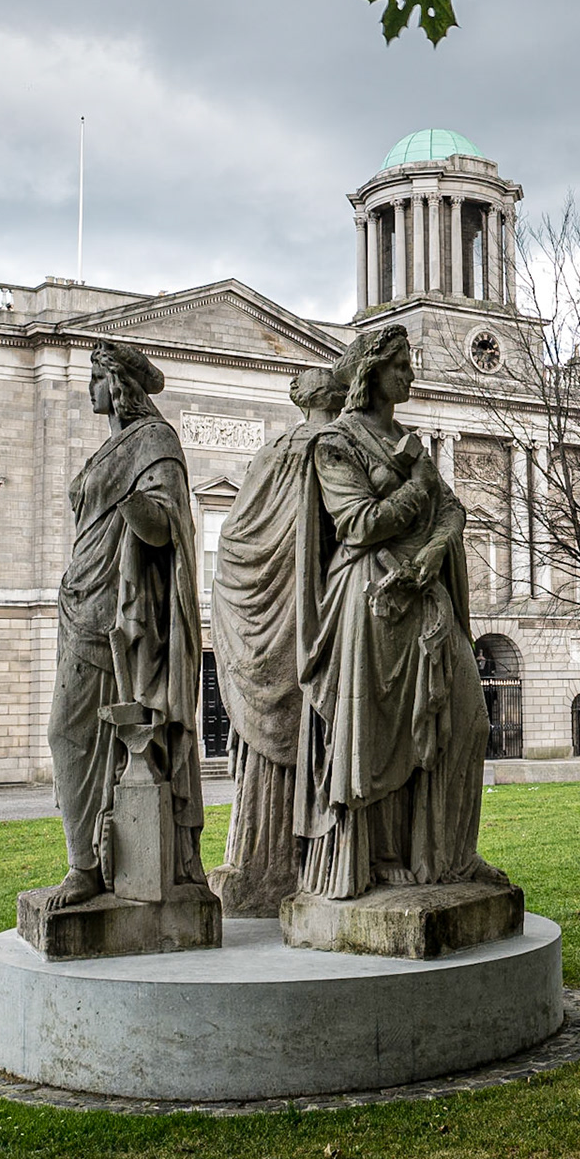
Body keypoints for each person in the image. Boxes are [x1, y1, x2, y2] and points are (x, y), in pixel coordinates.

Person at [292, 324, 509, 899]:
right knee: (381, 738)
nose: (410, 375)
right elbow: (357, 525)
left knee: (468, 720)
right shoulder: (336, 442)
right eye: (401, 367)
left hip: (423, 589)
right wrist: (414, 484)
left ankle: (451, 855)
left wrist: (438, 547)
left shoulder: (409, 439)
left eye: (410, 365)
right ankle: (381, 859)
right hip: (373, 597)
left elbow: (454, 510)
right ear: (371, 372)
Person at [41, 340, 207, 910]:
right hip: (81, 599)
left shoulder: (154, 441)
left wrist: (135, 504)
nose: (88, 388)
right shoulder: (113, 446)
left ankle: (92, 867)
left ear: (117, 384)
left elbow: (165, 528)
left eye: (94, 378)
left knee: (75, 732)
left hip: (122, 609)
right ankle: (93, 864)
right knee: (81, 735)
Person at [209, 366, 347, 915]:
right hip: (323, 613)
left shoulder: (271, 453)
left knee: (277, 746)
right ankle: (315, 855)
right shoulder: (339, 447)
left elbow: (236, 537)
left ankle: (259, 860)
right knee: (324, 729)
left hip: (267, 615)